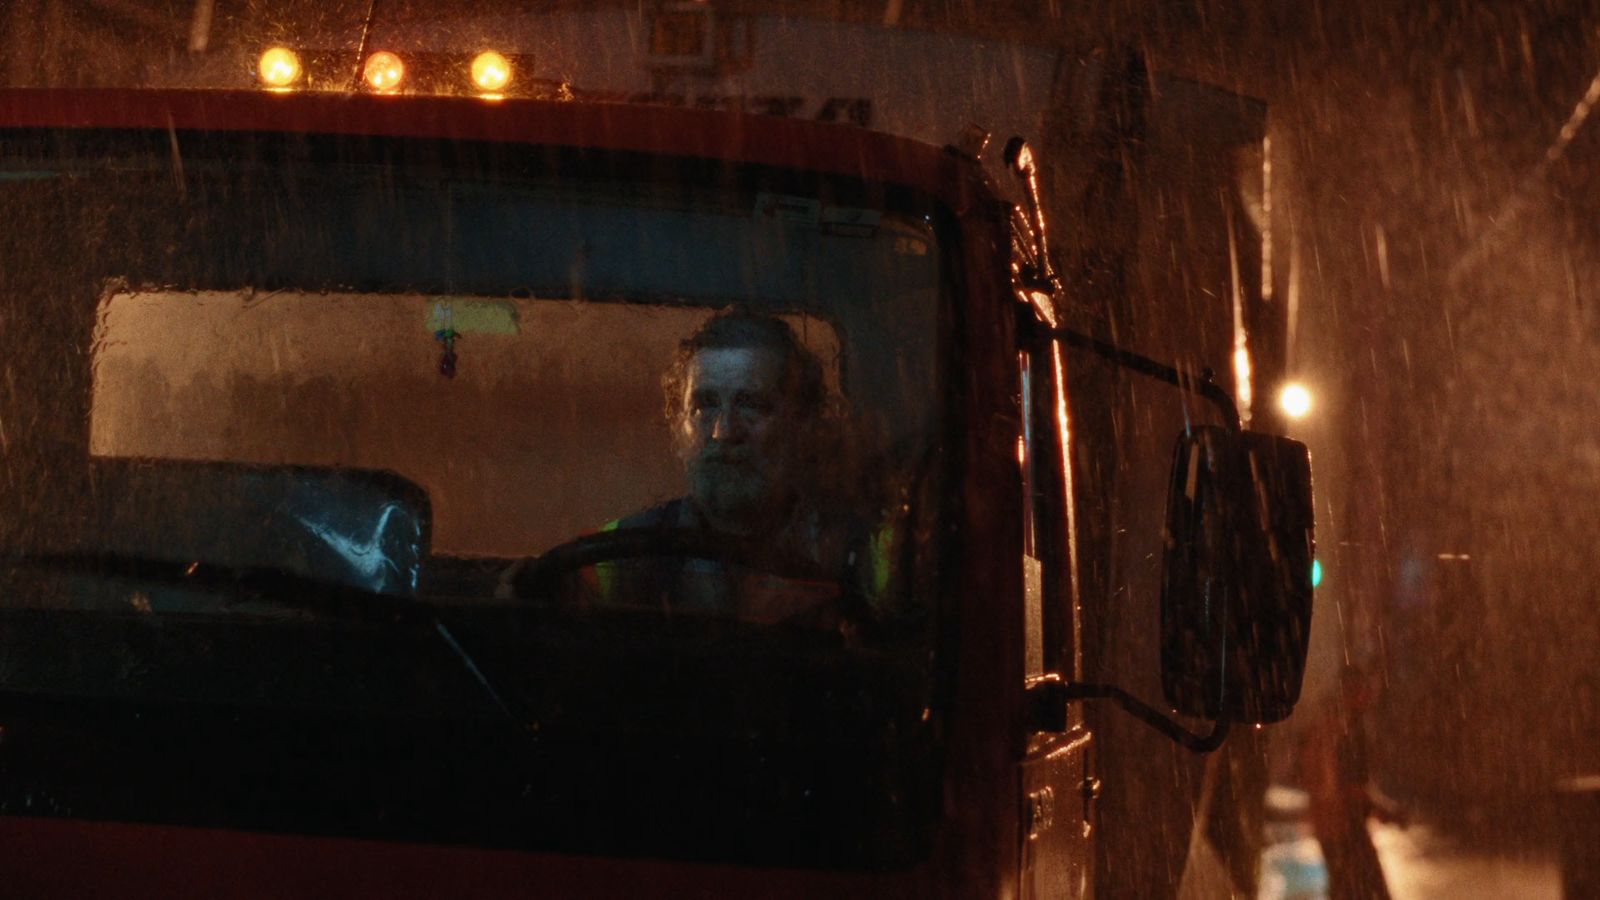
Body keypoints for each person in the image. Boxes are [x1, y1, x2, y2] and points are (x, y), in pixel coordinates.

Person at [583, 311, 892, 625]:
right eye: (705, 405)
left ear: (803, 425)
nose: (724, 431)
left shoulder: (864, 555)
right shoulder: (616, 552)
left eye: (752, 405)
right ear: (678, 427)